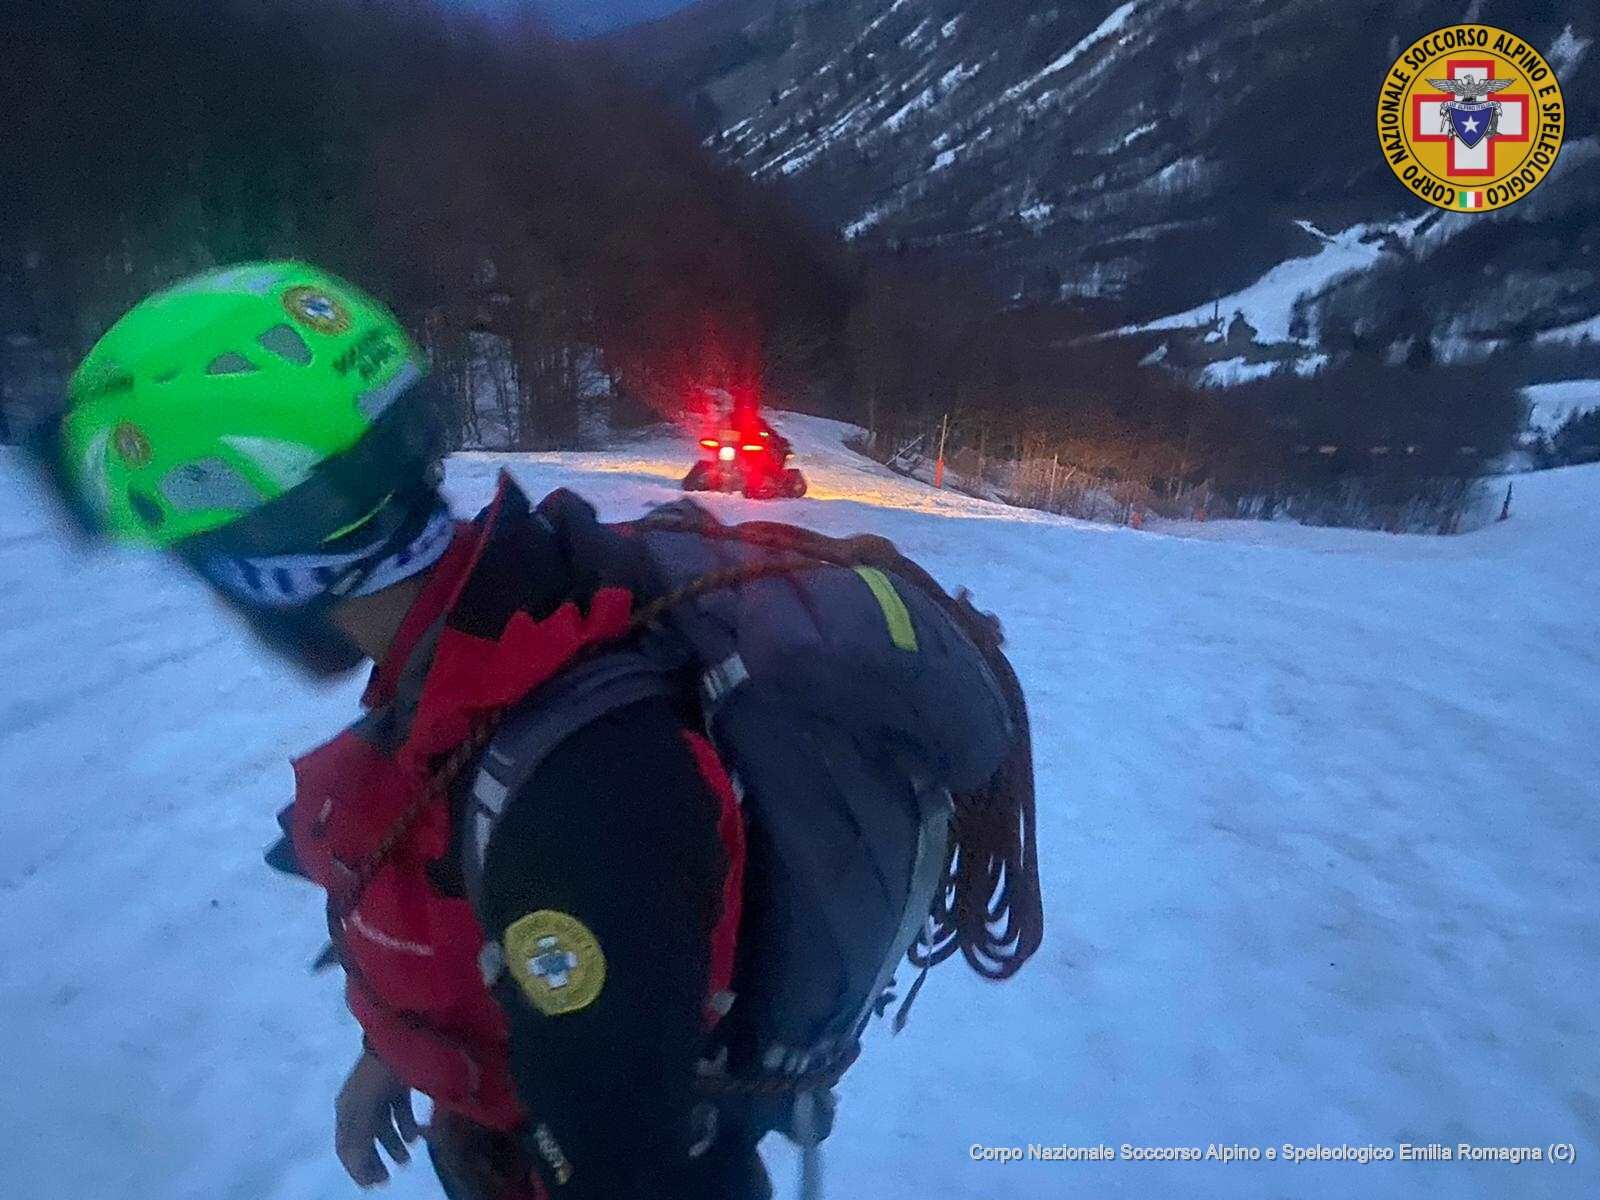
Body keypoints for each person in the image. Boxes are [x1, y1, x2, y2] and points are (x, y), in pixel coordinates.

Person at [43, 263, 1041, 1200]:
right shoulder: (498, 609)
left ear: (260, 561)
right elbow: (467, 899)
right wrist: (396, 1050)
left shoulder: (575, 790)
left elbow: (634, 1166)